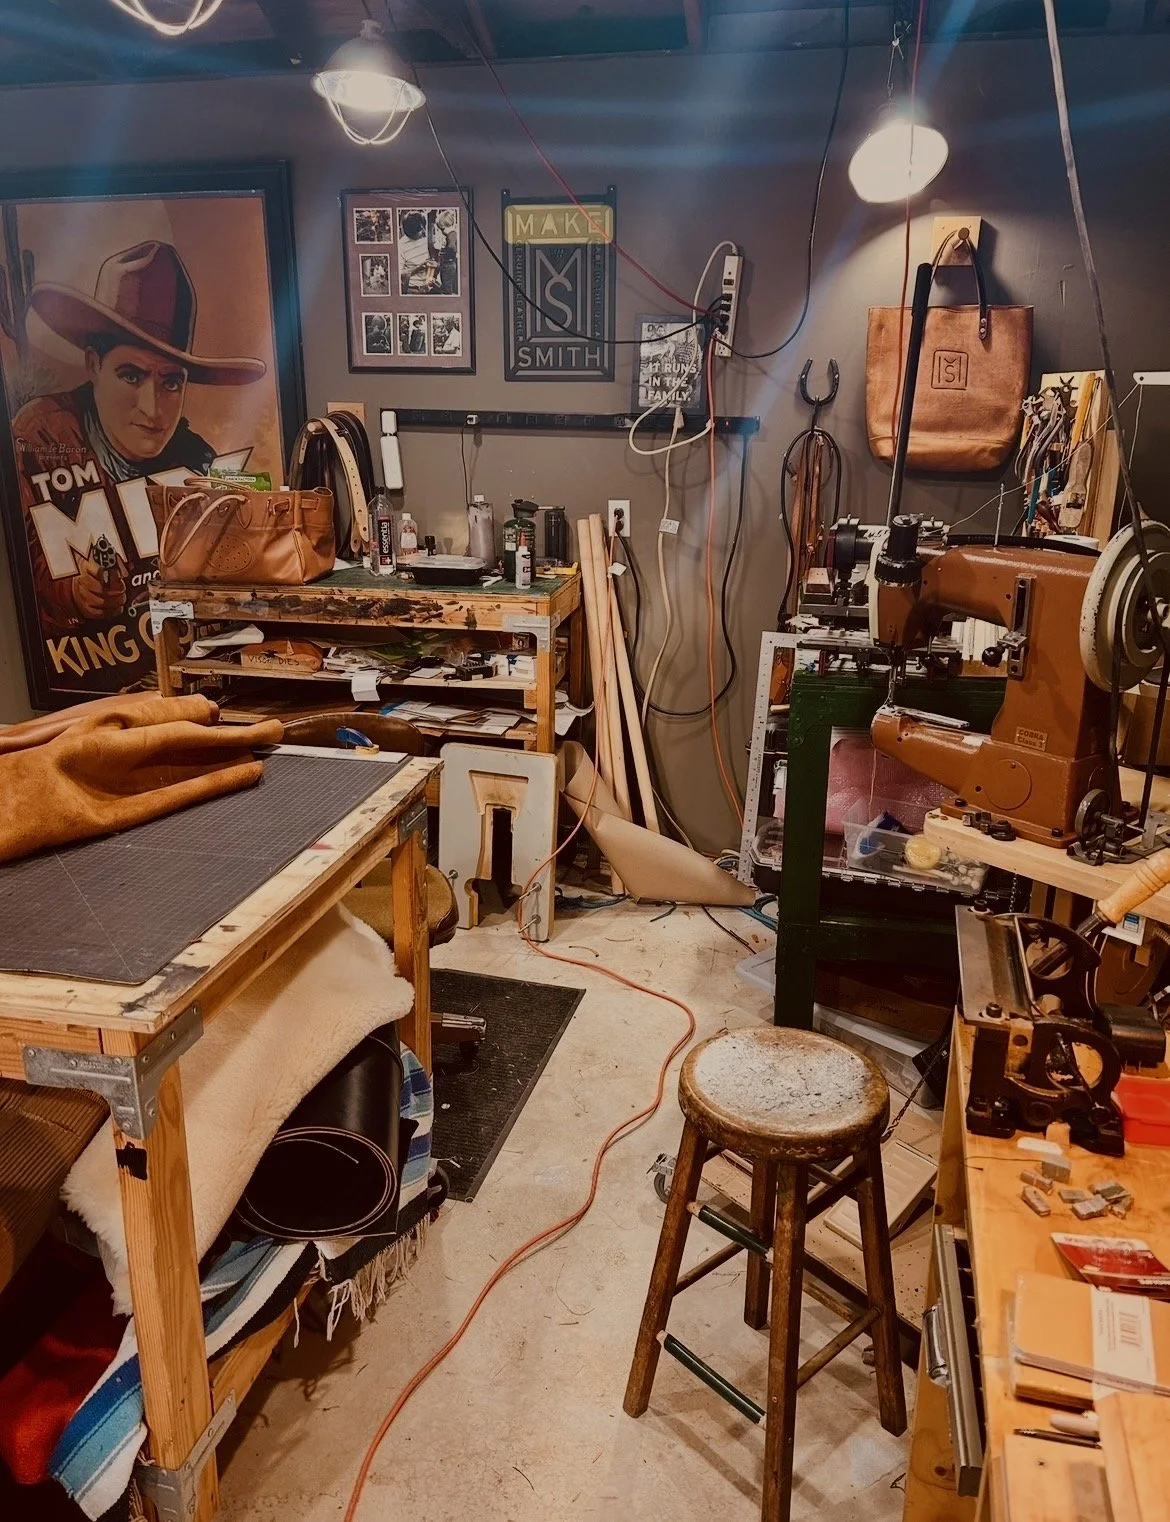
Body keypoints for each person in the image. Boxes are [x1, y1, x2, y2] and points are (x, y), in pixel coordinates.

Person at [13, 240, 266, 632]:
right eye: (131, 375)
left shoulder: (196, 460)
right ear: (93, 365)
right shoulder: (40, 435)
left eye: (171, 382)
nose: (152, 408)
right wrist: (77, 594)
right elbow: (24, 578)